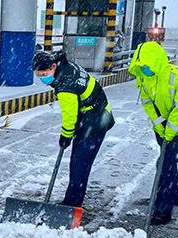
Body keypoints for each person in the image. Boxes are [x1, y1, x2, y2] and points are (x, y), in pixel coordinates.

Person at [129, 41, 178, 225]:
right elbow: (148, 104)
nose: (144, 69)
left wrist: (168, 134)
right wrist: (160, 127)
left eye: (146, 66)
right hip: (166, 125)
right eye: (140, 66)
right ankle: (173, 195)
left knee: (164, 163)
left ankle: (163, 210)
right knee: (168, 160)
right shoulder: (144, 78)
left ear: (156, 61)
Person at [32, 50, 115, 207]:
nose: (43, 78)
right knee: (78, 162)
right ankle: (72, 200)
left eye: (44, 74)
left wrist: (66, 136)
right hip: (94, 114)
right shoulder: (66, 66)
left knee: (79, 164)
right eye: (39, 75)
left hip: (95, 120)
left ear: (53, 66)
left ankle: (72, 205)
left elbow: (69, 116)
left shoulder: (65, 84)